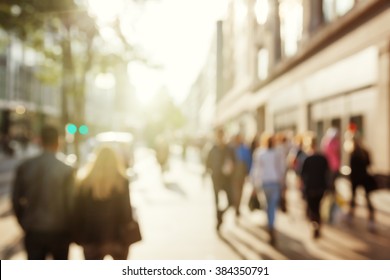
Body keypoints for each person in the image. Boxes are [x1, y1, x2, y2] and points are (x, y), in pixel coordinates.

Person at [12, 125, 75, 260]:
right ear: (58, 142)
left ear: (40, 141)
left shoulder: (25, 166)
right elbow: (72, 203)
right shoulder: (66, 170)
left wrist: (24, 221)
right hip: (60, 229)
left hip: (34, 228)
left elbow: (16, 199)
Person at [73, 146, 137, 260]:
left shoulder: (85, 182)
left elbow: (78, 213)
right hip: (117, 238)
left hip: (92, 238)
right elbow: (126, 213)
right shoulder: (122, 181)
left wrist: (80, 238)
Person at [250, 134, 284, 245]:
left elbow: (255, 169)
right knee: (272, 206)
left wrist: (254, 184)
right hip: (274, 182)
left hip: (265, 182)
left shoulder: (260, 153)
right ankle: (271, 225)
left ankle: (270, 224)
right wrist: (283, 182)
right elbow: (281, 169)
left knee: (267, 206)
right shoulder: (277, 153)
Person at [206, 128, 235, 231]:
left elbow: (234, 162)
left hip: (226, 179)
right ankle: (218, 220)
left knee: (231, 201)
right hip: (216, 178)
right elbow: (207, 163)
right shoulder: (212, 149)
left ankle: (221, 213)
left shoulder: (229, 149)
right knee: (216, 201)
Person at [300, 137, 329, 239]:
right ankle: (317, 224)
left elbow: (302, 174)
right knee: (317, 208)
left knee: (312, 209)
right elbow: (327, 173)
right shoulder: (322, 158)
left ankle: (314, 224)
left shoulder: (307, 159)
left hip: (310, 187)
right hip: (321, 187)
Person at [348, 135, 376, 232]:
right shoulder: (365, 152)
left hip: (356, 179)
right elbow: (369, 164)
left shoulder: (353, 153)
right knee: (367, 198)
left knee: (353, 198)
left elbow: (352, 167)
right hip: (364, 177)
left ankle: (351, 217)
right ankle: (371, 220)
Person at [232, 133, 252, 218]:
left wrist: (248, 172)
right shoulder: (232, 148)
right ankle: (236, 206)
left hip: (241, 173)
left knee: (240, 191)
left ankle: (237, 207)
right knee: (235, 191)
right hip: (233, 174)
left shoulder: (245, 148)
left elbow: (248, 161)